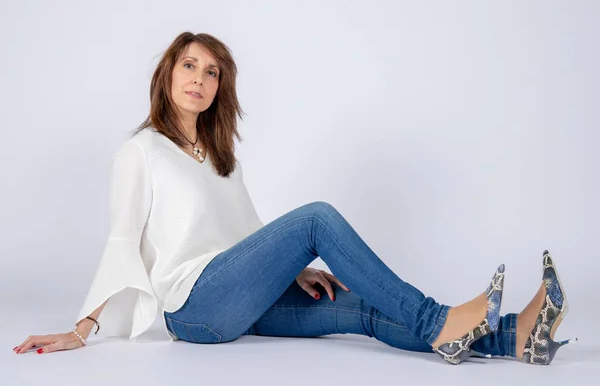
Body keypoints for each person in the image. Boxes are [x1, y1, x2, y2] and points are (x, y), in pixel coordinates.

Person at [13, 32, 573, 365]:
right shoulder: (141, 152)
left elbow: (246, 236)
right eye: (189, 65)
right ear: (167, 74)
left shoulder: (217, 156)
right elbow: (120, 240)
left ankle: (514, 340)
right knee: (316, 219)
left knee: (364, 310)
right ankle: (438, 320)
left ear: (219, 89)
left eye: (212, 73)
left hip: (241, 297)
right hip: (195, 310)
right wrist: (81, 328)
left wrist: (293, 271)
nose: (200, 79)